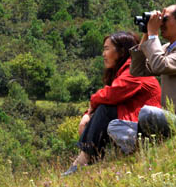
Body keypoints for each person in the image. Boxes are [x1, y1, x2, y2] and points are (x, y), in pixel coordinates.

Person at [108, 4, 176, 155]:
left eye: (165, 19)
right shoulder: (168, 48)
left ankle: (144, 147)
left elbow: (159, 65)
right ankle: (148, 147)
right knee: (115, 125)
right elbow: (138, 70)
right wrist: (146, 35)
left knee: (147, 113)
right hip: (168, 119)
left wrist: (153, 34)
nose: (161, 23)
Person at [63, 32, 161, 175]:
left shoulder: (133, 70)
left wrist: (90, 109)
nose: (103, 54)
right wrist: (88, 115)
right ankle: (85, 158)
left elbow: (111, 95)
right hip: (134, 121)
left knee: (105, 109)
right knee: (103, 109)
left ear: (121, 51)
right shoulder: (123, 71)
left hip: (146, 125)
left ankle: (85, 158)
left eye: (107, 48)